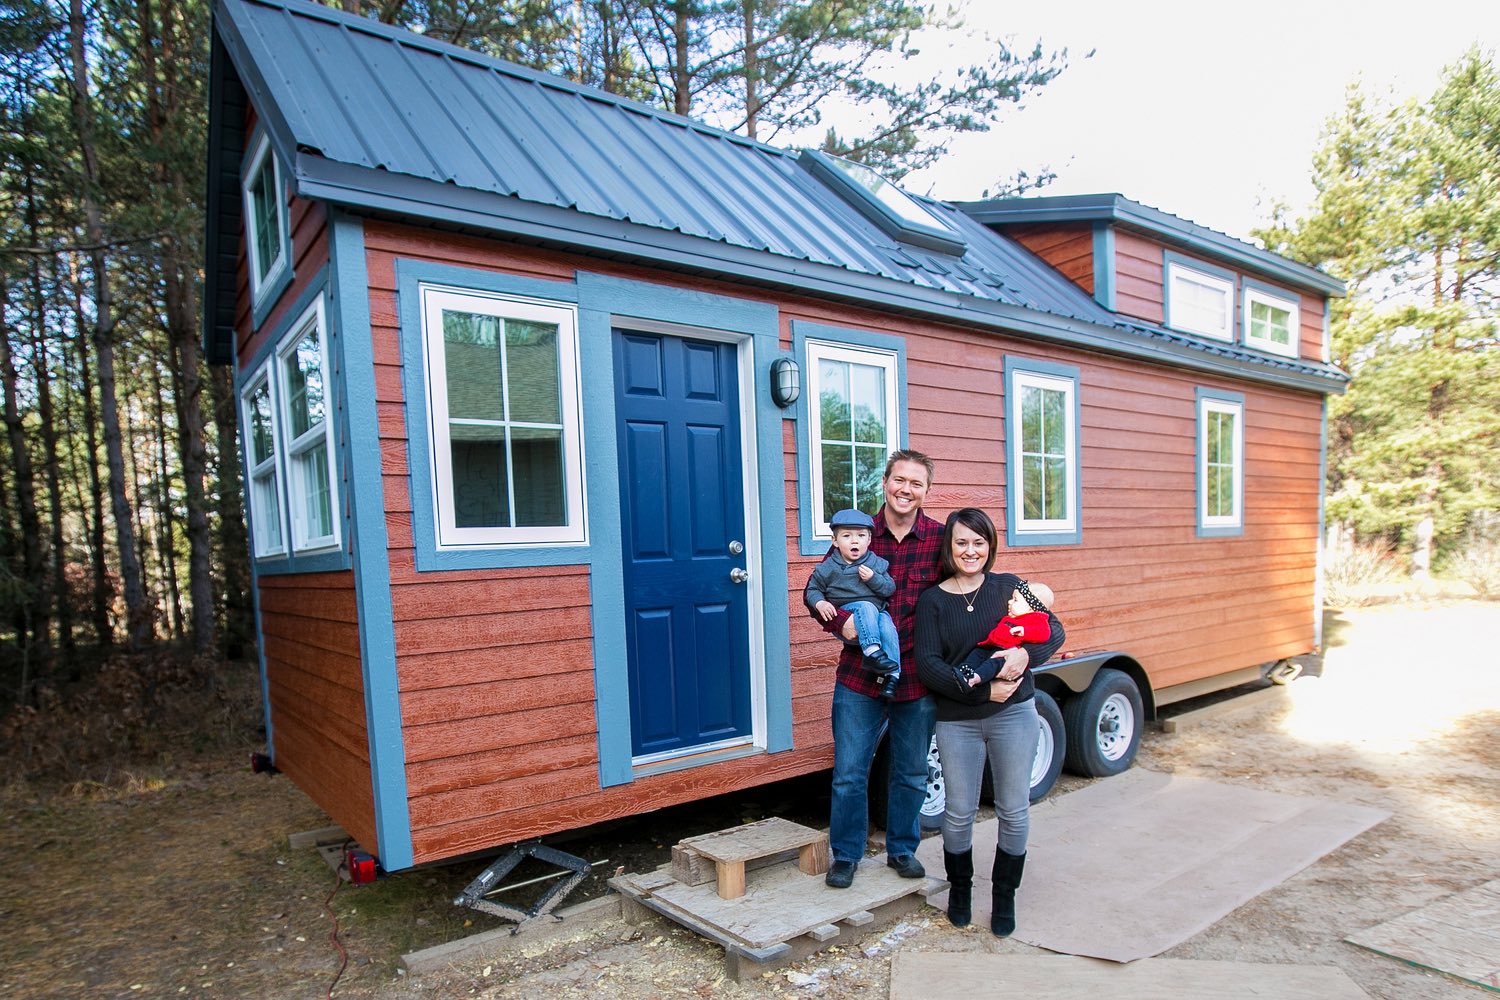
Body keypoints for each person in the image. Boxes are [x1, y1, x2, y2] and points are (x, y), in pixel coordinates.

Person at [914, 508, 1064, 936]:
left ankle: (1004, 896)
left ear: (990, 545)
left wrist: (1024, 655)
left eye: (978, 542)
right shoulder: (933, 601)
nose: (970, 550)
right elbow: (929, 667)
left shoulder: (1011, 586)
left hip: (1014, 715)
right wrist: (984, 691)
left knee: (1013, 810)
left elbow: (1053, 631)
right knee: (958, 812)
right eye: (961, 542)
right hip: (958, 721)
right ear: (949, 547)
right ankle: (960, 891)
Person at [817, 450, 942, 890]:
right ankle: (846, 855)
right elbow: (820, 588)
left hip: (918, 674)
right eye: (899, 480)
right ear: (885, 482)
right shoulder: (857, 534)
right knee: (849, 773)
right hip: (859, 673)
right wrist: (839, 623)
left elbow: (968, 586)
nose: (906, 489)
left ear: (926, 490)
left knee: (911, 771)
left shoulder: (940, 539)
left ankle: (902, 849)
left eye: (916, 483)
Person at [805, 508, 902, 700]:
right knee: (866, 606)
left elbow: (889, 588)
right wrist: (820, 603)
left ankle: (893, 675)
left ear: (869, 540)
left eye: (861, 535)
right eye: (847, 536)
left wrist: (873, 578)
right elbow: (812, 589)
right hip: (849, 610)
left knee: (888, 628)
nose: (854, 541)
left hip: (878, 611)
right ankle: (871, 651)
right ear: (835, 541)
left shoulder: (876, 563)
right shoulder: (829, 567)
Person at [957, 580, 1055, 689]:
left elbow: (1044, 633)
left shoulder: (1037, 619)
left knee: (994, 664)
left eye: (1015, 600)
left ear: (1030, 608)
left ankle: (975, 678)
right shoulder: (1013, 616)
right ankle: (964, 670)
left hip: (1007, 653)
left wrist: (1025, 631)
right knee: (976, 653)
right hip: (991, 646)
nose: (1009, 601)